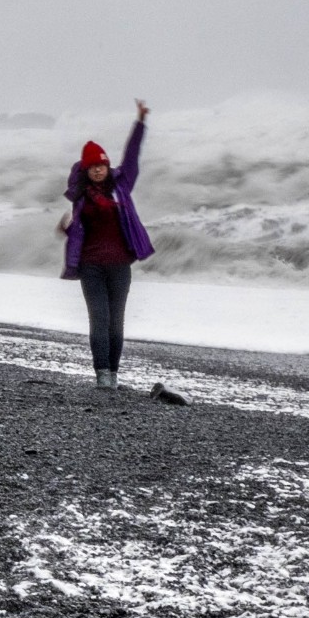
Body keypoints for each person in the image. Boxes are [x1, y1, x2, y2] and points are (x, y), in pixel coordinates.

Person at [62, 100, 184, 402]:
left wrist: (140, 122)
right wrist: (66, 229)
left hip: (120, 266)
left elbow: (132, 156)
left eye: (102, 165)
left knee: (117, 321)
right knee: (99, 319)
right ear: (87, 170)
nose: (98, 170)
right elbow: (79, 231)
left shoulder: (122, 186)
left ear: (107, 165)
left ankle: (113, 374)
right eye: (93, 167)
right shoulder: (80, 197)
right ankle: (102, 375)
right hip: (91, 266)